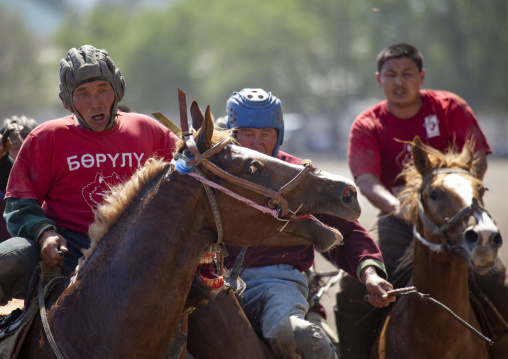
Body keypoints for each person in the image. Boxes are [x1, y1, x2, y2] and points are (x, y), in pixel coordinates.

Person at [339, 43, 507, 358]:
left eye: (407, 74)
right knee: (352, 288)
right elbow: (366, 180)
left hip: (456, 217)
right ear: (379, 79)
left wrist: (459, 199)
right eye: (391, 75)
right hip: (399, 221)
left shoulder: (449, 107)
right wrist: (400, 208)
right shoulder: (367, 124)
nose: (399, 82)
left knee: (496, 280)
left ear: (422, 76)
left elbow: (478, 158)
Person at [221, 88, 395, 359]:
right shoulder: (212, 175)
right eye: (247, 134)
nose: (256, 143)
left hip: (278, 283)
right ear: (232, 132)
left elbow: (346, 233)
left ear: (278, 134)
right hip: (218, 285)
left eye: (265, 134)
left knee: (295, 335)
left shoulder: (300, 177)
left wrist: (370, 274)